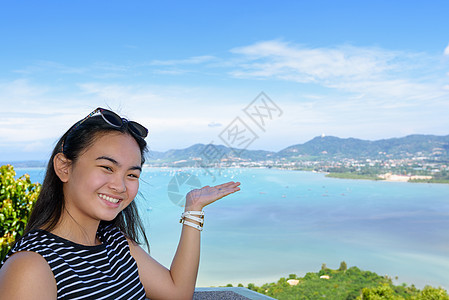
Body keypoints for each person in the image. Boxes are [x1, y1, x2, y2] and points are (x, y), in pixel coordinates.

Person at [0, 107, 240, 299]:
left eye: (132, 174)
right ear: (64, 167)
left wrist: (193, 208)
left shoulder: (114, 243)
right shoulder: (31, 267)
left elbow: (177, 292)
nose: (120, 186)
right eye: (107, 167)